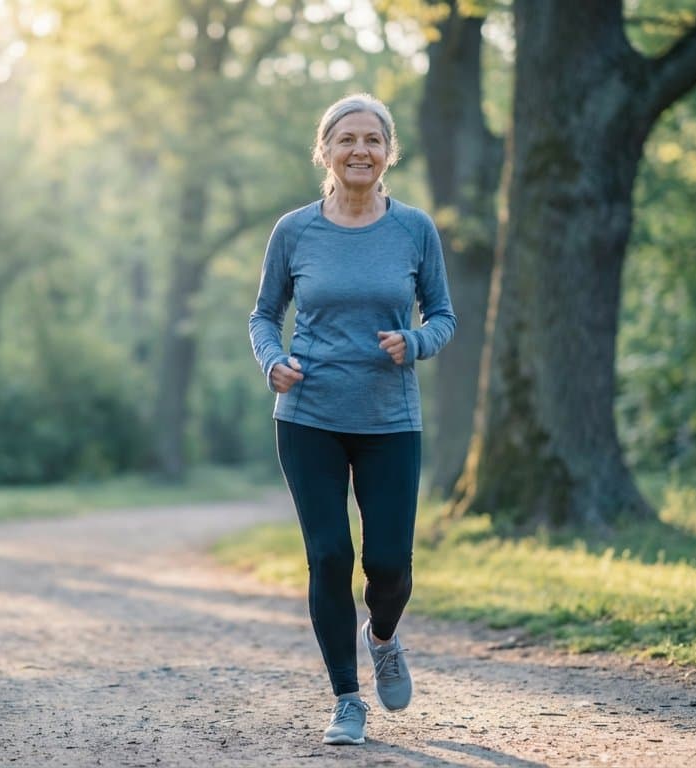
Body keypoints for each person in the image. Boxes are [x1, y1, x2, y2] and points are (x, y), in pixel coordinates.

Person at [248, 93, 456, 746]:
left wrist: (415, 343)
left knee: (389, 563)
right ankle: (346, 697)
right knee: (329, 555)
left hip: (390, 418)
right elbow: (262, 315)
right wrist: (272, 360)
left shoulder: (414, 229)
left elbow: (442, 316)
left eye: (372, 139)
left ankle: (384, 638)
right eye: (346, 139)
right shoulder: (295, 230)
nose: (359, 150)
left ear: (388, 152)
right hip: (308, 415)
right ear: (326, 151)